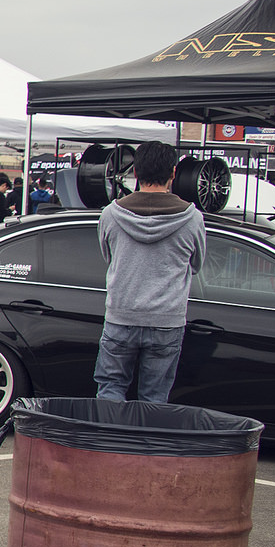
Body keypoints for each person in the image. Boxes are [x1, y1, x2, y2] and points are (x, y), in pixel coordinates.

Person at [94, 140, 204, 403]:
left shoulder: (111, 214)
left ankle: (107, 443)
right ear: (173, 172)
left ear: (135, 173)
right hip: (167, 321)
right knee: (155, 398)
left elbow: (108, 257)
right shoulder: (192, 218)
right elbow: (196, 265)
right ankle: (144, 445)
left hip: (121, 316)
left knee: (110, 389)